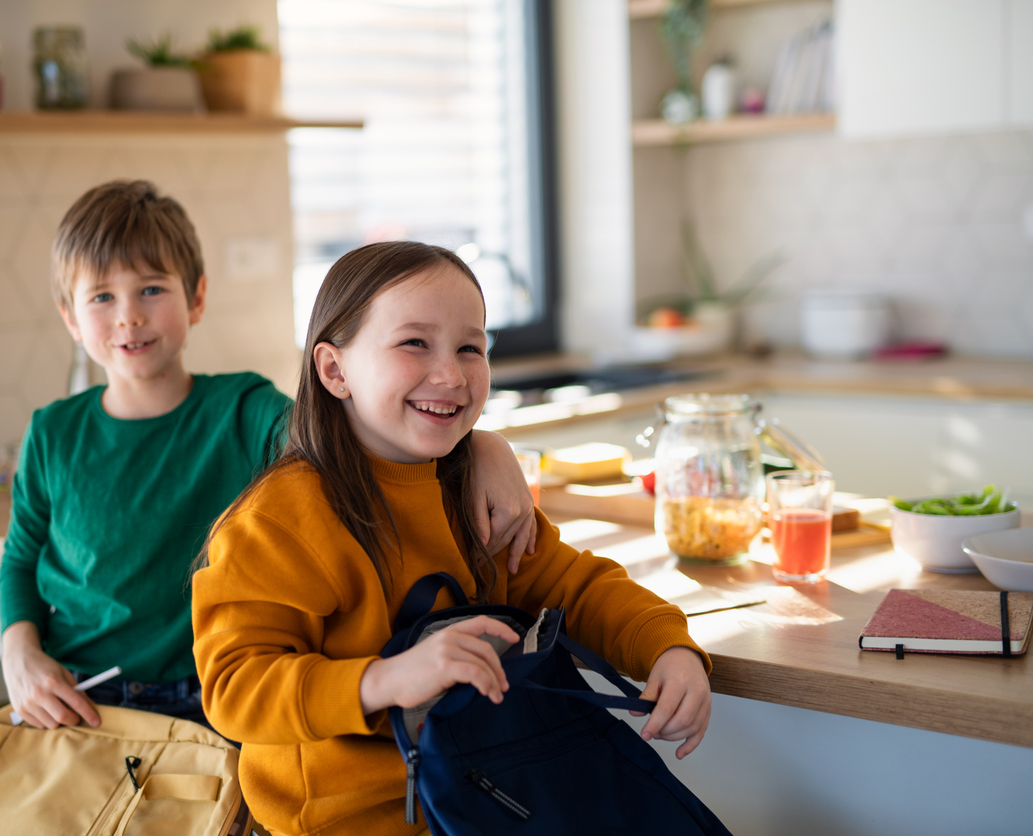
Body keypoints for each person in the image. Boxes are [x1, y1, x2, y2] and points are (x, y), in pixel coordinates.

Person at [190, 241, 714, 836]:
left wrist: (667, 647)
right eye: (414, 343)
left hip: (485, 797)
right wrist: (385, 679)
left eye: (471, 348)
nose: (451, 374)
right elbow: (235, 688)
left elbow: (575, 585)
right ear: (335, 371)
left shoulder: (476, 492)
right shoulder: (279, 520)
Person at [0, 182, 537, 730]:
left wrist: (483, 444)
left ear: (196, 298)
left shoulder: (245, 409)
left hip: (209, 703)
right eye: (101, 297)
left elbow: (348, 435)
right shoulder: (51, 432)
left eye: (152, 289)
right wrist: (18, 648)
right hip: (79, 697)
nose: (129, 316)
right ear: (70, 317)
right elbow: (21, 558)